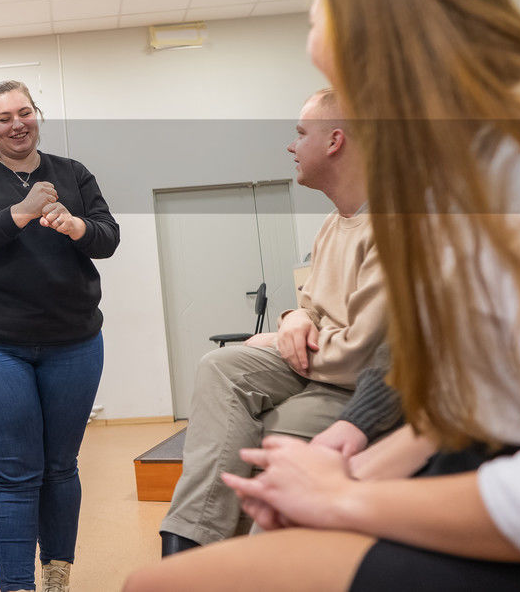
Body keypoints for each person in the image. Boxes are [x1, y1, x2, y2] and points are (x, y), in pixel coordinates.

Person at [124, 0, 520, 592]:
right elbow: (475, 395)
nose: (309, 43)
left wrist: (341, 497)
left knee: (164, 587)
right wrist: (351, 468)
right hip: (492, 462)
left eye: (314, 25)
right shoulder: (464, 163)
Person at [159, 88, 387, 555]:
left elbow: (364, 358)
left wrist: (291, 340)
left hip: (356, 382)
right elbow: (316, 307)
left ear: (335, 141)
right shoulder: (333, 224)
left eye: (301, 134)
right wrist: (292, 318)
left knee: (267, 431)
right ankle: (186, 543)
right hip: (324, 363)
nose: (291, 146)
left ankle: (251, 561)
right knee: (218, 367)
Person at [0, 80, 120, 592]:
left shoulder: (73, 173)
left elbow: (107, 237)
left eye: (25, 112)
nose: (17, 124)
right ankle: (17, 586)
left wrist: (76, 227)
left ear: (36, 116)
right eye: (4, 118)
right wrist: (21, 212)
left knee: (60, 467)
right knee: (15, 473)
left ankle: (57, 578)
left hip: (74, 342)